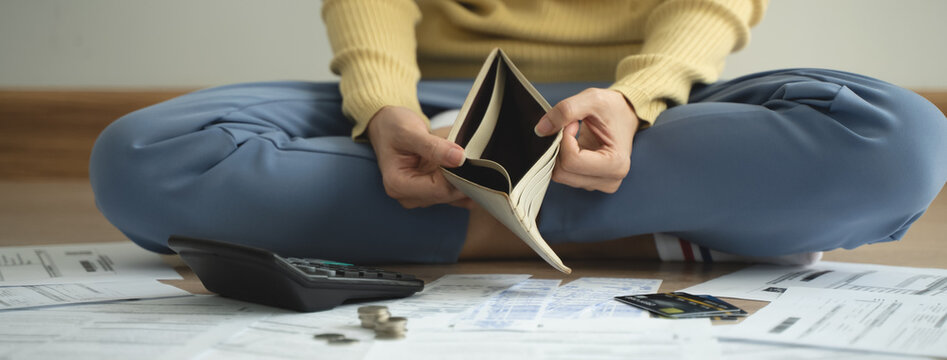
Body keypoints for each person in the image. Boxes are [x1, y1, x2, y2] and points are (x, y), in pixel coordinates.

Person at [90, 0, 947, 265]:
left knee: (899, 140)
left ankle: (459, 222)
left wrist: (636, 98)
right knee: (139, 159)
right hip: (428, 99)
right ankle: (648, 230)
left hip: (647, 109)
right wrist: (383, 111)